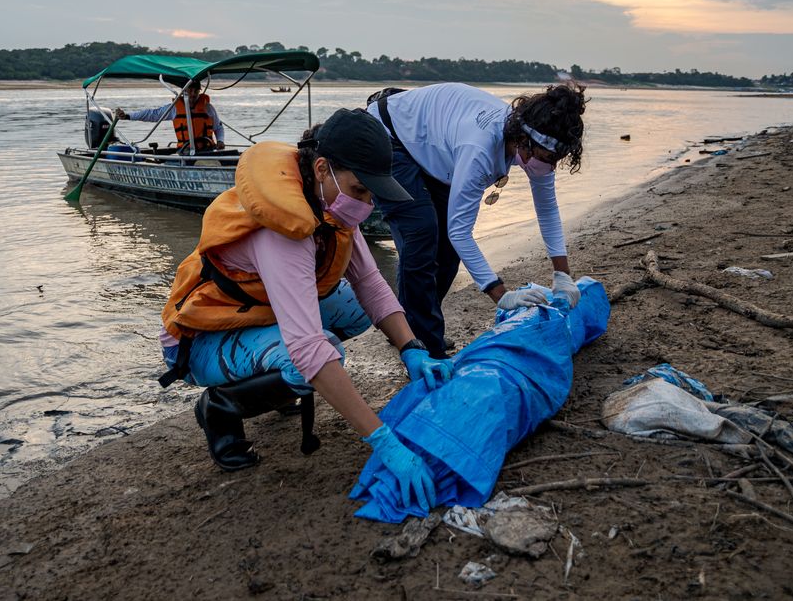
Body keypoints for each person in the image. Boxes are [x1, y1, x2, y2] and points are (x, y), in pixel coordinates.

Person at [158, 109, 452, 512]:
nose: (367, 203)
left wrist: (412, 348)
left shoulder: (329, 206)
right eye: (360, 189)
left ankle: (275, 384)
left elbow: (370, 284)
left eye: (372, 193)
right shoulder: (284, 230)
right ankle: (221, 408)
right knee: (313, 357)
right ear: (321, 169)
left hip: (254, 314)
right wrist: (384, 441)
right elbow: (311, 350)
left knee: (354, 308)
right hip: (199, 342)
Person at [366, 82, 588, 357]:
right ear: (523, 142)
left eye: (557, 160)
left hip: (436, 149)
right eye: (547, 159)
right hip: (389, 135)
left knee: (447, 252)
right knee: (421, 233)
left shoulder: (538, 140)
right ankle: (425, 347)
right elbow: (460, 231)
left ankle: (412, 328)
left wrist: (562, 274)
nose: (551, 166)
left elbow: (547, 209)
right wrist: (501, 295)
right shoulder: (480, 148)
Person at [115, 80, 225, 152]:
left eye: (196, 91)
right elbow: (152, 114)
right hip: (185, 151)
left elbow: (218, 127)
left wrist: (220, 141)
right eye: (190, 90)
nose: (193, 94)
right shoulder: (174, 108)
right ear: (183, 91)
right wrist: (127, 116)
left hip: (208, 149)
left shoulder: (208, 107)